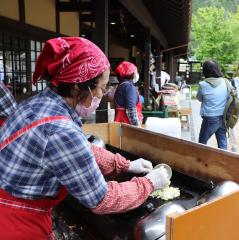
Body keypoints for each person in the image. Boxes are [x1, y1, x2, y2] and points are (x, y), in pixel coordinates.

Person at [0, 37, 169, 239]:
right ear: (77, 87)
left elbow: (81, 149)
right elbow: (102, 199)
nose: (103, 94)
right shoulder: (60, 129)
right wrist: (149, 183)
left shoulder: (39, 103)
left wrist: (124, 165)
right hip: (16, 223)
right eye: (101, 87)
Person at [197, 60, 228, 150]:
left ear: (205, 71)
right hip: (223, 116)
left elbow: (199, 98)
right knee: (222, 143)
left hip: (210, 118)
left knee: (201, 143)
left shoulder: (203, 84)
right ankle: (224, 160)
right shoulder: (225, 82)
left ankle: (201, 161)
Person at [113, 61, 143, 126]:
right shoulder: (129, 87)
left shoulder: (121, 86)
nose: (136, 74)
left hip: (120, 123)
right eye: (135, 72)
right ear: (130, 73)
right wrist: (137, 127)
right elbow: (131, 109)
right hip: (127, 124)